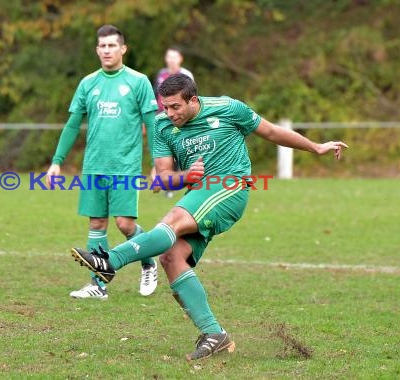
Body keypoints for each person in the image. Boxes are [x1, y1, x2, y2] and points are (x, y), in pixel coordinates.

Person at [70, 74, 348, 360]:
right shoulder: (162, 125)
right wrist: (185, 177)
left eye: (176, 107)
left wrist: (316, 147)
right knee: (171, 257)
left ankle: (110, 261)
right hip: (197, 195)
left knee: (172, 221)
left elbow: (272, 132)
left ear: (193, 100)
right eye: (165, 107)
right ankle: (215, 334)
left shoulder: (229, 108)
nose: (170, 113)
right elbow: (164, 178)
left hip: (230, 187)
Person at [47, 25, 159, 300]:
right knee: (97, 224)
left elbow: (152, 125)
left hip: (125, 165)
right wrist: (56, 161)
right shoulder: (88, 84)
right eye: (102, 46)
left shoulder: (138, 81)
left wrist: (158, 164)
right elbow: (73, 124)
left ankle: (148, 260)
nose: (107, 50)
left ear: (123, 49)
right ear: (97, 50)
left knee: (123, 224)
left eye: (112, 45)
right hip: (94, 165)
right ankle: (98, 285)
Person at [151, 47, 194, 198]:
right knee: (161, 148)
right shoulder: (161, 74)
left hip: (179, 119)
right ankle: (159, 177)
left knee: (177, 148)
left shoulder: (186, 75)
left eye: (174, 57)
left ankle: (172, 180)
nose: (171, 60)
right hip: (161, 118)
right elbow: (156, 96)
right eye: (168, 57)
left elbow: (192, 98)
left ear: (180, 58)